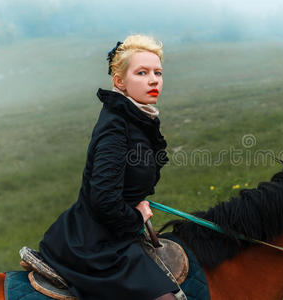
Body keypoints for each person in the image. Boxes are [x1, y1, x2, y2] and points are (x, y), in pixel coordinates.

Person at [39, 34, 179, 300]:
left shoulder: (135, 117)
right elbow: (103, 198)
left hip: (111, 233)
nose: (153, 80)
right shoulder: (116, 127)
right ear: (119, 82)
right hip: (95, 244)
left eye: (158, 73)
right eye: (142, 72)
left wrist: (137, 205)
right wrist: (136, 217)